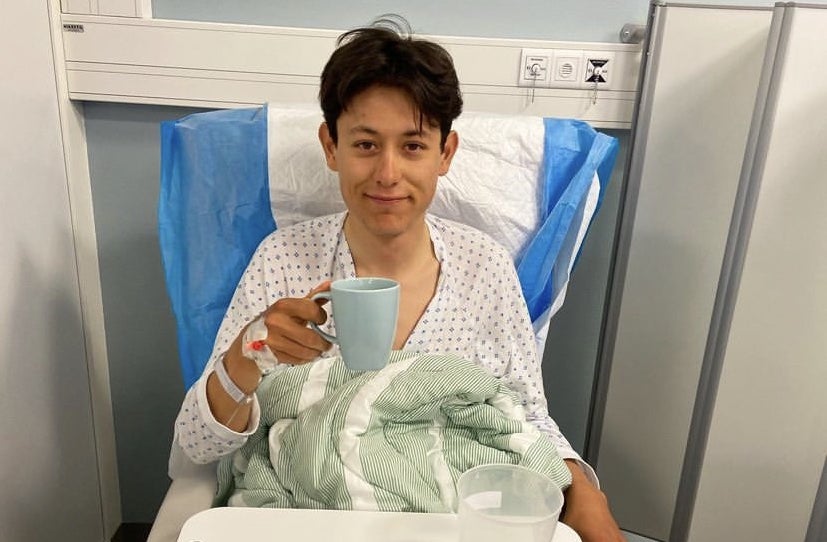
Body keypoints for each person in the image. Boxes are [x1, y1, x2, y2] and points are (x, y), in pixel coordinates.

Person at [173, 16, 623, 542]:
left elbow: (523, 417)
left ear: (445, 154)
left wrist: (583, 493)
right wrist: (248, 356)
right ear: (331, 146)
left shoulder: (485, 266)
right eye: (366, 145)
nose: (388, 174)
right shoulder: (282, 260)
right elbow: (197, 445)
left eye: (412, 147)